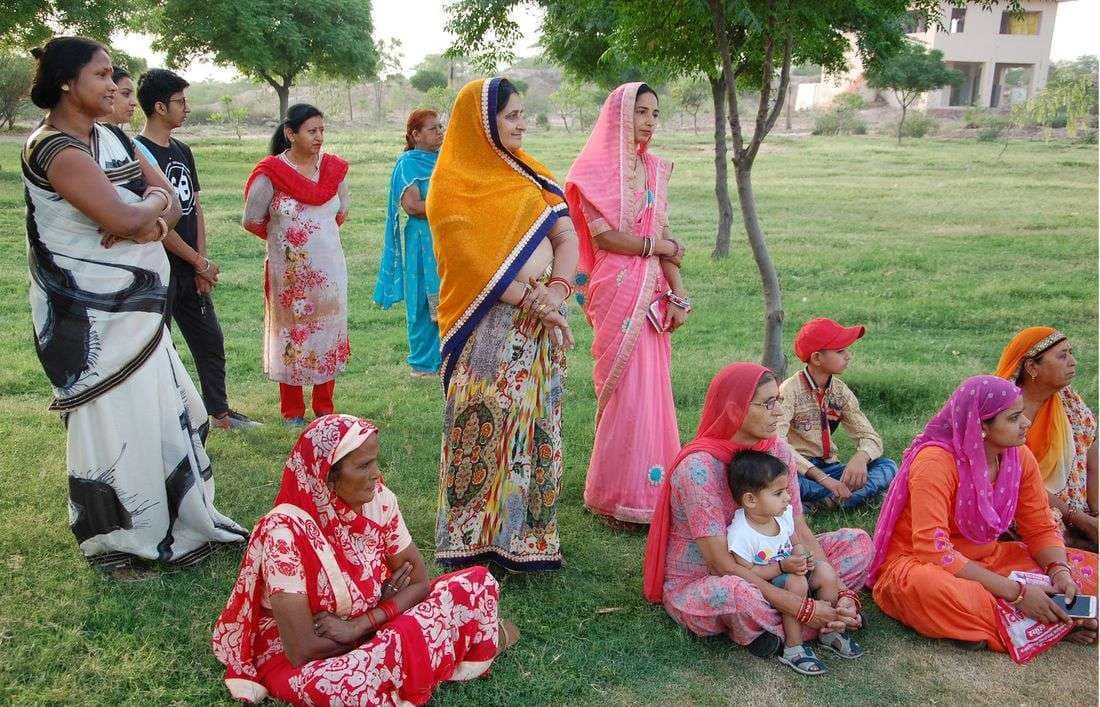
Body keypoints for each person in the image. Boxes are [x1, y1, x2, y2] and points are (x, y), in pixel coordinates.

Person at [22, 37, 246, 575]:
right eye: (100, 75)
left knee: (165, 411)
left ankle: (178, 517)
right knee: (113, 422)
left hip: (140, 313)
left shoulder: (110, 137)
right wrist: (143, 214)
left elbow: (163, 195)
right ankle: (120, 540)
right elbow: (125, 219)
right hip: (90, 317)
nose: (110, 84)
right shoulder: (54, 149)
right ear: (66, 83)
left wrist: (148, 215)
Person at [212, 415, 517, 705]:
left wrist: (360, 625)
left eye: (375, 461)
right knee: (345, 683)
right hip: (306, 656)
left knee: (477, 583)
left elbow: (419, 582)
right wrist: (385, 618)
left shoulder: (380, 501)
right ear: (327, 477)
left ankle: (406, 663)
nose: (376, 474)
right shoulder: (284, 534)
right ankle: (437, 653)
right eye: (363, 466)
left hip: (367, 628)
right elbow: (302, 649)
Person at [429, 78, 578, 573]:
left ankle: (526, 540)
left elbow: (565, 232)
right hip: (487, 329)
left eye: (522, 114)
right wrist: (538, 302)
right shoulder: (451, 184)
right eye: (511, 115)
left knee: (534, 427)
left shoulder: (528, 174)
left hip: (539, 329)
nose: (521, 124)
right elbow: (472, 263)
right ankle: (472, 539)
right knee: (483, 424)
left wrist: (557, 291)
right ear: (481, 123)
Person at [643, 363, 872, 661]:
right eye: (767, 403)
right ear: (733, 408)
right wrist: (799, 606)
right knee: (739, 597)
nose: (778, 412)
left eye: (777, 400)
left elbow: (798, 526)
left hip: (781, 561)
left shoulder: (777, 451)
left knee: (858, 544)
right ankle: (818, 624)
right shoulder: (698, 469)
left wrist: (843, 593)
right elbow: (721, 565)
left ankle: (792, 627)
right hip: (711, 579)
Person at [868, 375, 1098, 658]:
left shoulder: (1018, 457)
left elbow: (1039, 527)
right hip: (922, 564)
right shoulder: (935, 462)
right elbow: (933, 550)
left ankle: (1026, 622)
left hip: (990, 561)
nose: (1026, 422)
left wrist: (1058, 572)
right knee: (931, 590)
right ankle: (1051, 622)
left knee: (1086, 571)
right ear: (982, 426)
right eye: (1014, 418)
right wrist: (1019, 593)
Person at [564, 82, 687, 529]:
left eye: (655, 113)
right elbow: (604, 236)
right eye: (641, 112)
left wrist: (678, 294)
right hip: (615, 284)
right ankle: (616, 495)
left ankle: (653, 494)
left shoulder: (654, 169)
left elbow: (667, 238)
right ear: (619, 116)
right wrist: (656, 246)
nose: (650, 121)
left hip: (651, 288)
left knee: (653, 388)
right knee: (625, 390)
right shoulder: (594, 169)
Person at [137, 68, 260, 431]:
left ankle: (219, 414)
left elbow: (194, 209)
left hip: (192, 266)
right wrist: (197, 260)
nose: (186, 109)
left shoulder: (182, 150)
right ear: (159, 106)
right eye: (180, 102)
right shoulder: (138, 153)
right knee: (160, 349)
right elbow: (158, 225)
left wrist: (200, 262)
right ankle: (168, 422)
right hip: (158, 267)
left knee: (210, 340)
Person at [242, 104, 351, 426]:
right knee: (291, 333)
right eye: (311, 131)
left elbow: (341, 212)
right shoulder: (271, 173)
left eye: (321, 130)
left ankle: (324, 407)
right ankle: (292, 411)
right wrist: (287, 240)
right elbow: (251, 219)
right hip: (289, 271)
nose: (319, 137)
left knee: (325, 331)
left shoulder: (333, 170)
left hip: (329, 267)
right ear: (291, 134)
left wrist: (316, 238)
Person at [726, 451, 863, 674]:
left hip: (792, 570)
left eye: (786, 491)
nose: (788, 498)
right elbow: (746, 572)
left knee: (826, 571)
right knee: (796, 583)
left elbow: (796, 542)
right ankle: (793, 647)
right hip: (772, 587)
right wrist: (782, 567)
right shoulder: (741, 534)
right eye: (779, 493)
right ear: (750, 500)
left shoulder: (783, 515)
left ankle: (829, 630)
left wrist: (804, 558)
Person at [777, 317, 897, 510]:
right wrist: (821, 478)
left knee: (887, 466)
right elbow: (778, 443)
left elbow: (870, 436)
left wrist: (861, 457)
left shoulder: (840, 391)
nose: (847, 355)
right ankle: (851, 497)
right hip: (802, 471)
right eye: (840, 351)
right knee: (785, 482)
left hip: (830, 468)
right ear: (816, 358)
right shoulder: (789, 391)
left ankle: (825, 503)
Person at [994, 327, 1097, 549]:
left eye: (1071, 353)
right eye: (1063, 356)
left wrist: (1096, 514)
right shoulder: (1002, 412)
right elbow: (1017, 481)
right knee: (1051, 529)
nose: (1073, 362)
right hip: (1025, 504)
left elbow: (1092, 456)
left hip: (1078, 507)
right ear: (1032, 367)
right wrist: (1078, 518)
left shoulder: (1068, 400)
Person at [373, 109, 445, 377]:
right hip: (421, 238)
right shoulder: (408, 163)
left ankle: (447, 358)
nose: (440, 132)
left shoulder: (444, 160)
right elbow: (412, 205)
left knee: (448, 294)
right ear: (415, 134)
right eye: (432, 129)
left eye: (440, 127)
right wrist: (449, 207)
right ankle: (423, 365)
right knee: (422, 299)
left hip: (445, 237)